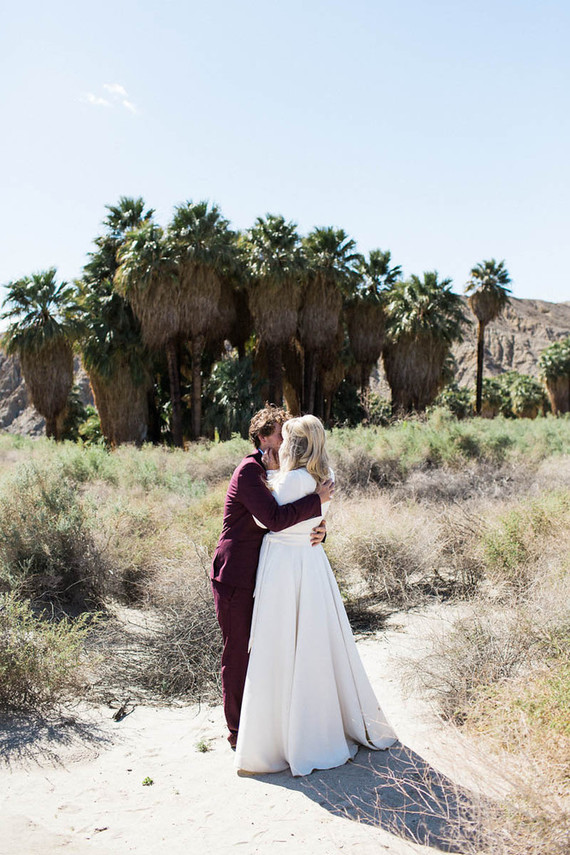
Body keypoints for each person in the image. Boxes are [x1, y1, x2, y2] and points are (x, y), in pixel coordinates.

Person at [235, 415, 397, 776]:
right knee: (314, 644)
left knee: (279, 647)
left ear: (292, 444)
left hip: (283, 566)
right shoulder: (328, 477)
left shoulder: (288, 481)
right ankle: (322, 726)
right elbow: (312, 518)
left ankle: (278, 737)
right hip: (311, 563)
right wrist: (320, 527)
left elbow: (268, 521)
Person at [211, 405, 334, 749]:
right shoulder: (249, 472)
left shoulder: (280, 474)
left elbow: (294, 524)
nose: (287, 442)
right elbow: (275, 519)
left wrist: (321, 530)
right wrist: (316, 500)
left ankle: (266, 724)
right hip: (236, 575)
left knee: (267, 650)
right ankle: (237, 732)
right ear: (263, 439)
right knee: (238, 652)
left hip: (265, 576)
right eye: (281, 434)